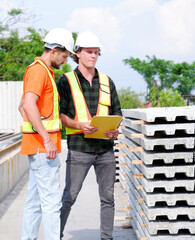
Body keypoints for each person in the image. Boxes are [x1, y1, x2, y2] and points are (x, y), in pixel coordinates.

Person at [56, 31, 122, 240]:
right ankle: (54, 235)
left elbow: (117, 112)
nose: (93, 56)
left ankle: (106, 238)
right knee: (69, 197)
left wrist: (115, 130)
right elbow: (59, 114)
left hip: (105, 150)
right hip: (79, 148)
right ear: (78, 53)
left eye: (96, 52)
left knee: (108, 198)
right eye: (89, 52)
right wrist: (78, 125)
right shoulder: (65, 81)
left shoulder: (107, 81)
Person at [19, 28, 74, 240]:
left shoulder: (42, 71)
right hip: (44, 148)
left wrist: (37, 131)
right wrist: (45, 138)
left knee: (34, 202)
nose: (65, 61)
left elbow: (22, 106)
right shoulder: (39, 71)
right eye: (64, 55)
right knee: (51, 202)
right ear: (53, 51)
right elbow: (28, 105)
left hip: (38, 147)